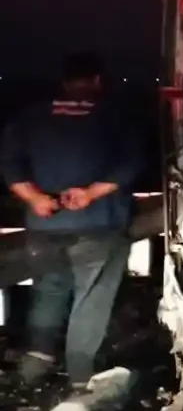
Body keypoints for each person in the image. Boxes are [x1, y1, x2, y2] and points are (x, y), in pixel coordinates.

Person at [0, 52, 142, 388]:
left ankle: (35, 365)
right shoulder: (114, 117)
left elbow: (9, 164)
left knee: (48, 291)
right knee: (91, 298)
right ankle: (80, 375)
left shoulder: (29, 118)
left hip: (44, 227)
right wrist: (90, 193)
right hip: (99, 225)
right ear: (97, 81)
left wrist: (35, 198)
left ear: (65, 83)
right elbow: (132, 163)